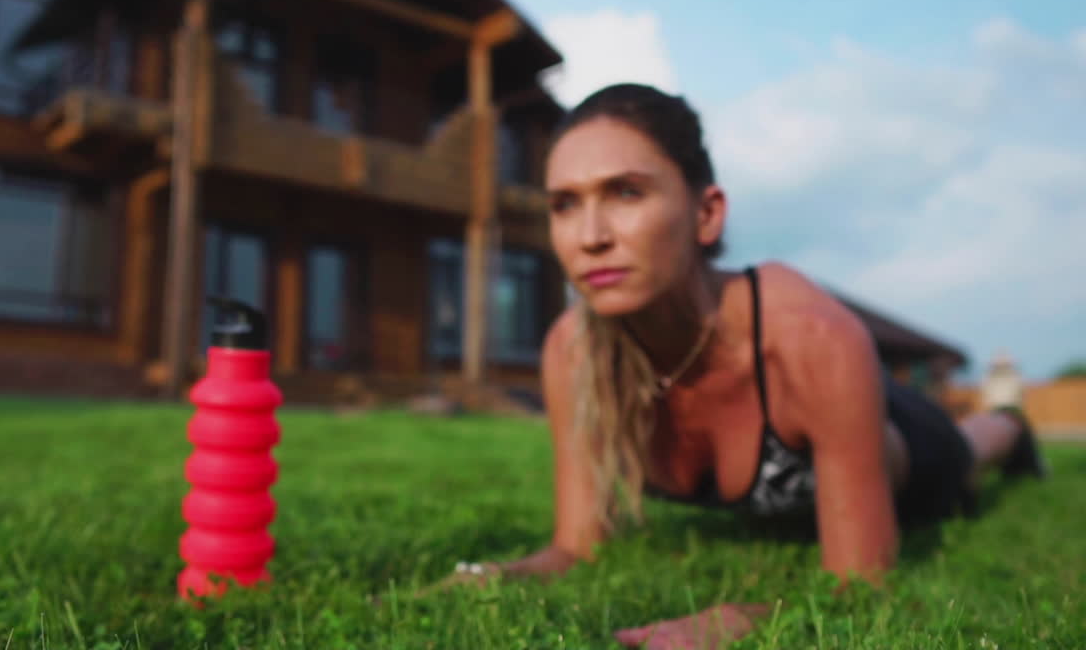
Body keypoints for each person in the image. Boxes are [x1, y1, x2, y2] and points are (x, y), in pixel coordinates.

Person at [441, 84, 1047, 649]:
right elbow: (575, 547)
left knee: (971, 452)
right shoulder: (572, 351)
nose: (590, 236)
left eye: (626, 192)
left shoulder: (811, 337)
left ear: (707, 214)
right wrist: (489, 575)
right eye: (565, 205)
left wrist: (741, 619)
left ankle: (1010, 427)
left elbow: (861, 588)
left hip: (912, 450)